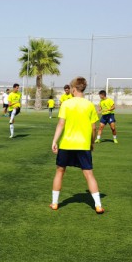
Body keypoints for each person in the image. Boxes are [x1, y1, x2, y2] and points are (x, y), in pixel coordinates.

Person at [50, 76, 104, 214]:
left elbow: (61, 124)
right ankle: (98, 205)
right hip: (83, 145)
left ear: (73, 89)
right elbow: (94, 128)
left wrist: (54, 141)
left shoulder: (66, 104)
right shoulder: (90, 105)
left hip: (66, 144)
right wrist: (91, 143)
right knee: (89, 174)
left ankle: (55, 203)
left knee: (60, 172)